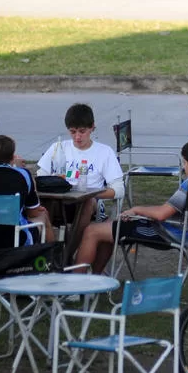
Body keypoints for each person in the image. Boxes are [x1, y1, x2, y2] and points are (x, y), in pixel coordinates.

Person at [75, 139, 188, 275]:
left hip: (166, 234)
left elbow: (162, 214)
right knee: (110, 228)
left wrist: (136, 210)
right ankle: (96, 277)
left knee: (92, 231)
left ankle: (75, 284)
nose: (183, 167)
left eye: (185, 163)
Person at [37, 103, 124, 258]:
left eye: (82, 132)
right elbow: (41, 176)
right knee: (42, 205)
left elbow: (118, 189)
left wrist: (92, 193)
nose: (77, 137)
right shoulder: (58, 147)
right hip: (59, 202)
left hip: (89, 205)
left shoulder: (104, 152)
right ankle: (46, 254)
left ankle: (66, 256)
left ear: (92, 128)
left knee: (87, 203)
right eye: (73, 132)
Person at [0, 135, 53, 249]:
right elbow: (33, 213)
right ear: (12, 156)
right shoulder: (23, 174)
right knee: (43, 215)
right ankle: (53, 258)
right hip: (16, 240)